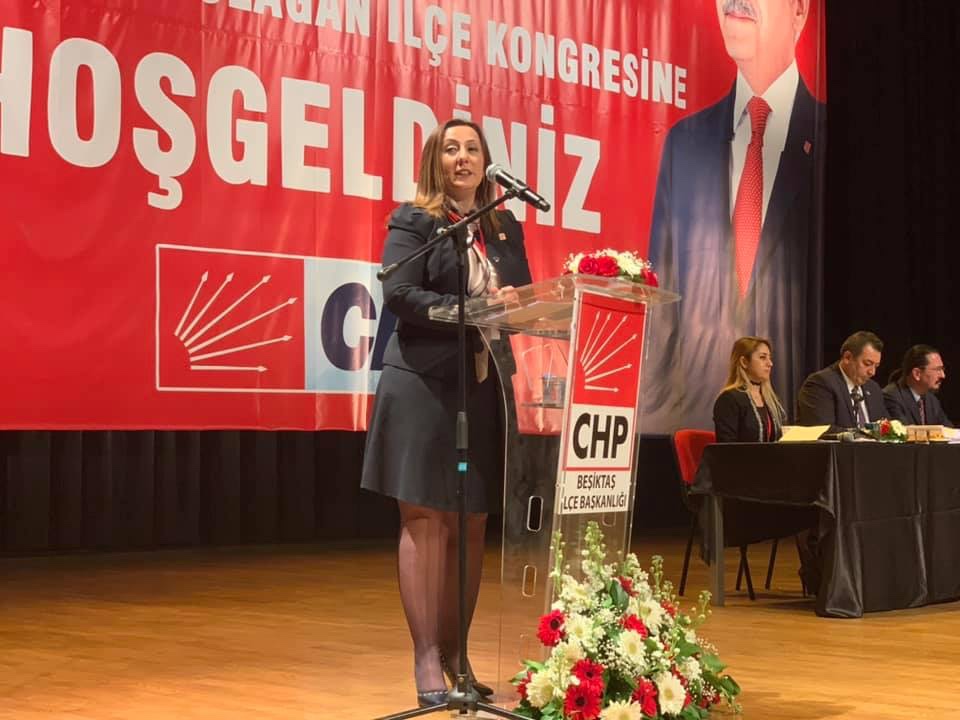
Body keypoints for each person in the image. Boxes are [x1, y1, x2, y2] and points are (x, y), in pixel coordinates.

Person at [360, 118, 532, 707]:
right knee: (427, 518)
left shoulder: (503, 226)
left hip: (483, 384)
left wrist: (511, 302)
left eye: (472, 148)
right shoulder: (417, 221)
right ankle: (427, 656)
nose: (463, 157)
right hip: (423, 384)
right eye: (451, 148)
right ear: (435, 161)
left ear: (486, 161)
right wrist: (470, 308)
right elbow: (400, 294)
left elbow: (522, 296)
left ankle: (459, 655)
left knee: (472, 520)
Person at [645, 0, 825, 431]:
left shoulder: (828, 138)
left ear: (800, 11)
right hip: (692, 422)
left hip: (786, 422)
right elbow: (662, 298)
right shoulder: (684, 142)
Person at [796, 331, 886, 431]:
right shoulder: (820, 384)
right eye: (867, 364)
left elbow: (885, 427)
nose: (872, 372)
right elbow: (822, 430)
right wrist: (864, 433)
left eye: (876, 366)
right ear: (847, 357)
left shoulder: (873, 388)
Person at [713, 336, 787, 442]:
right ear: (744, 362)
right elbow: (727, 447)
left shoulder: (772, 400)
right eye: (762, 357)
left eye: (769, 358)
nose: (770, 364)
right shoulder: (729, 399)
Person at [883, 345, 953, 427]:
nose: (943, 375)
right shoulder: (891, 397)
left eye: (942, 369)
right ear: (917, 374)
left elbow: (949, 430)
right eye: (938, 369)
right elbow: (905, 432)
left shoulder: (931, 400)